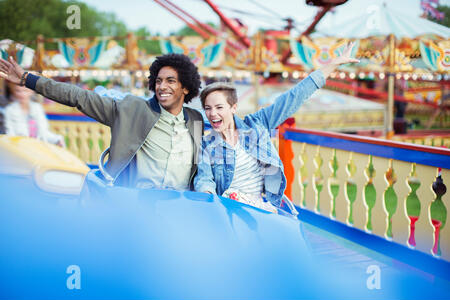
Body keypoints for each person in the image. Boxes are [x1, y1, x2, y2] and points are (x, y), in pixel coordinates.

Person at [194, 42, 359, 212]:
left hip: (258, 208)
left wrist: (333, 63)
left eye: (219, 107)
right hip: (227, 209)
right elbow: (204, 178)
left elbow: (295, 96)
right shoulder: (207, 144)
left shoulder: (257, 124)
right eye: (208, 108)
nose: (212, 113)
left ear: (233, 107)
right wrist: (208, 196)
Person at [0, 53, 204, 189]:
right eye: (158, 81)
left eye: (170, 81)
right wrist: (28, 79)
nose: (162, 86)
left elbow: (199, 167)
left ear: (185, 88)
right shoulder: (131, 109)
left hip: (180, 205)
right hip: (137, 202)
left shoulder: (195, 120)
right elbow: (78, 96)